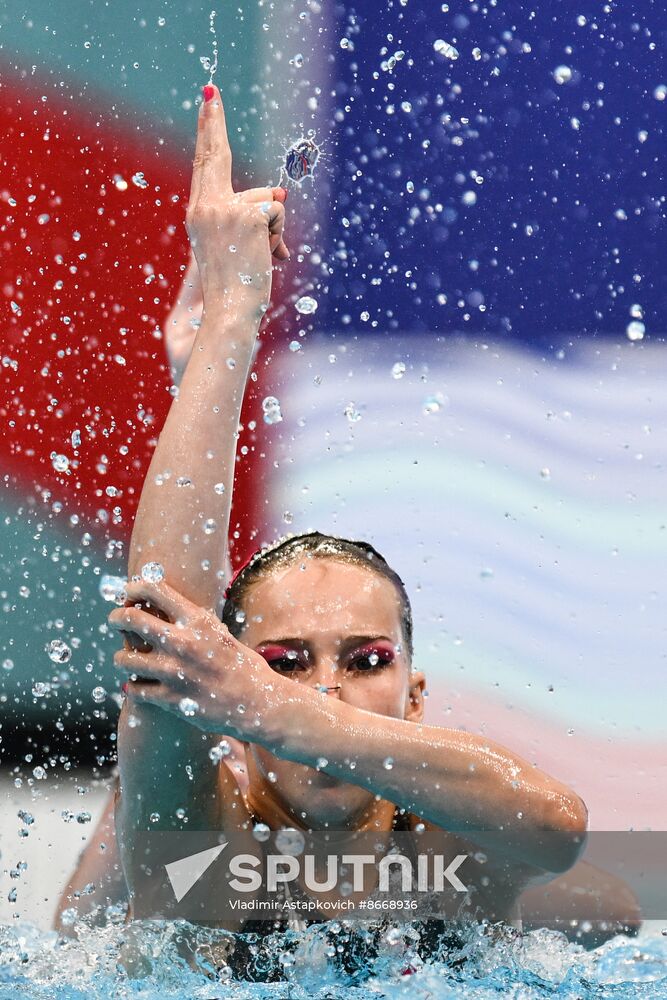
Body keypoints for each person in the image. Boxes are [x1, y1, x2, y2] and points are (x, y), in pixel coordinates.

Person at [54, 83, 639, 976]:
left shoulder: (448, 863)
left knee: (610, 902)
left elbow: (556, 825)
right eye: (284, 660)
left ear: (414, 694)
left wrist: (273, 705)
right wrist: (228, 331)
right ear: (229, 696)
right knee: (100, 906)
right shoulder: (211, 854)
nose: (323, 689)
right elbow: (168, 635)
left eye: (366, 661)